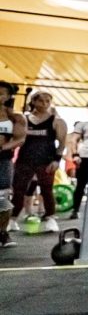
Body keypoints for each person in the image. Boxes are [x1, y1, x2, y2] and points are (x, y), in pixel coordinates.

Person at [9, 91, 68, 234]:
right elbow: (16, 138)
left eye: (48, 101)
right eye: (41, 101)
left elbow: (62, 143)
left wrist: (56, 160)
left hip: (46, 160)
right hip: (25, 159)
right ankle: (12, 220)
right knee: (19, 190)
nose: (45, 104)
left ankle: (50, 219)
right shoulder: (24, 119)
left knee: (46, 190)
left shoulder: (57, 121)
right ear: (33, 102)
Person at [0, 82, 26, 248]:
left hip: (3, 160)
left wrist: (2, 147)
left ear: (9, 97)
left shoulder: (15, 117)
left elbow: (20, 139)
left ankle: (2, 233)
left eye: (3, 93)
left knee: (2, 198)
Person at [67, 101, 88, 220]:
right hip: (85, 156)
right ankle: (75, 210)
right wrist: (75, 154)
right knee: (81, 184)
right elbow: (73, 140)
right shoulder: (83, 124)